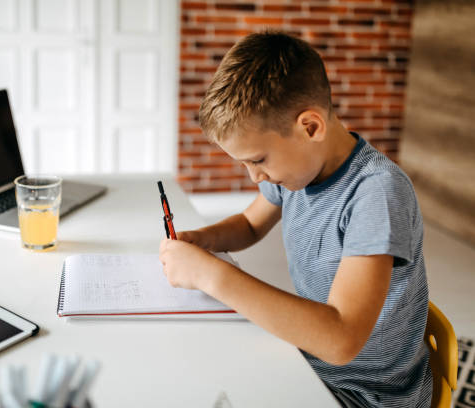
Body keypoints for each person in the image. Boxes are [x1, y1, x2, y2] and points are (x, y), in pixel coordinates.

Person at [159, 31, 432, 408]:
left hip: (365, 394)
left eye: (257, 160)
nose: (254, 177)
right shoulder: (297, 171)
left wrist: (210, 274)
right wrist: (202, 240)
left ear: (310, 127)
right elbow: (250, 224)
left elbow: (340, 340)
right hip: (311, 362)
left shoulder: (377, 194)